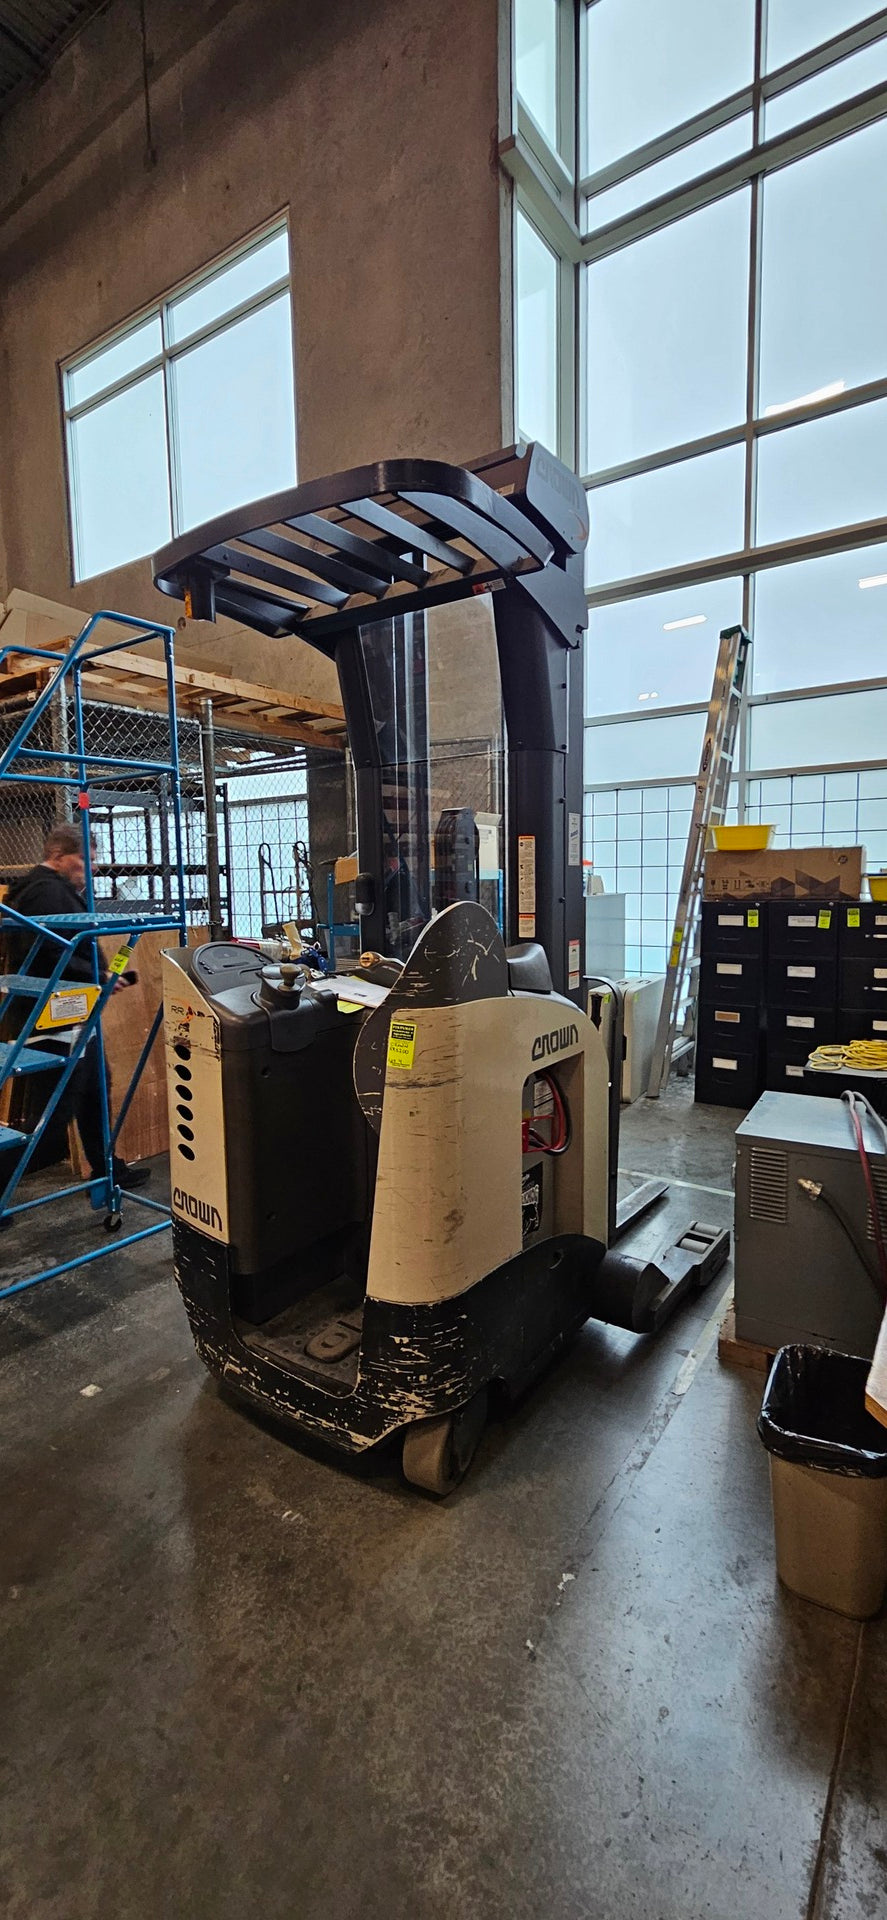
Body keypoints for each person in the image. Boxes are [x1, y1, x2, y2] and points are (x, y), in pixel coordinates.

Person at [4, 823, 149, 1190]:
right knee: (54, 1115)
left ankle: (107, 1168)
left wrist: (101, 978)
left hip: (73, 1009)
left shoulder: (51, 890)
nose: (93, 868)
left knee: (96, 1088)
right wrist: (99, 975)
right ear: (58, 856)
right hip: (55, 1017)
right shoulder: (46, 892)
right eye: (85, 859)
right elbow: (53, 953)